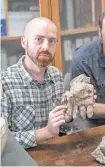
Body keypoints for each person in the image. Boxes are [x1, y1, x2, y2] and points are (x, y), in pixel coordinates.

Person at [1, 17, 70, 149]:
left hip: (57, 153)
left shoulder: (56, 75)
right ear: (24, 42)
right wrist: (46, 132)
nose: (45, 46)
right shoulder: (4, 84)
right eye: (39, 39)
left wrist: (70, 114)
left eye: (51, 41)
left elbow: (62, 126)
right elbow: (3, 141)